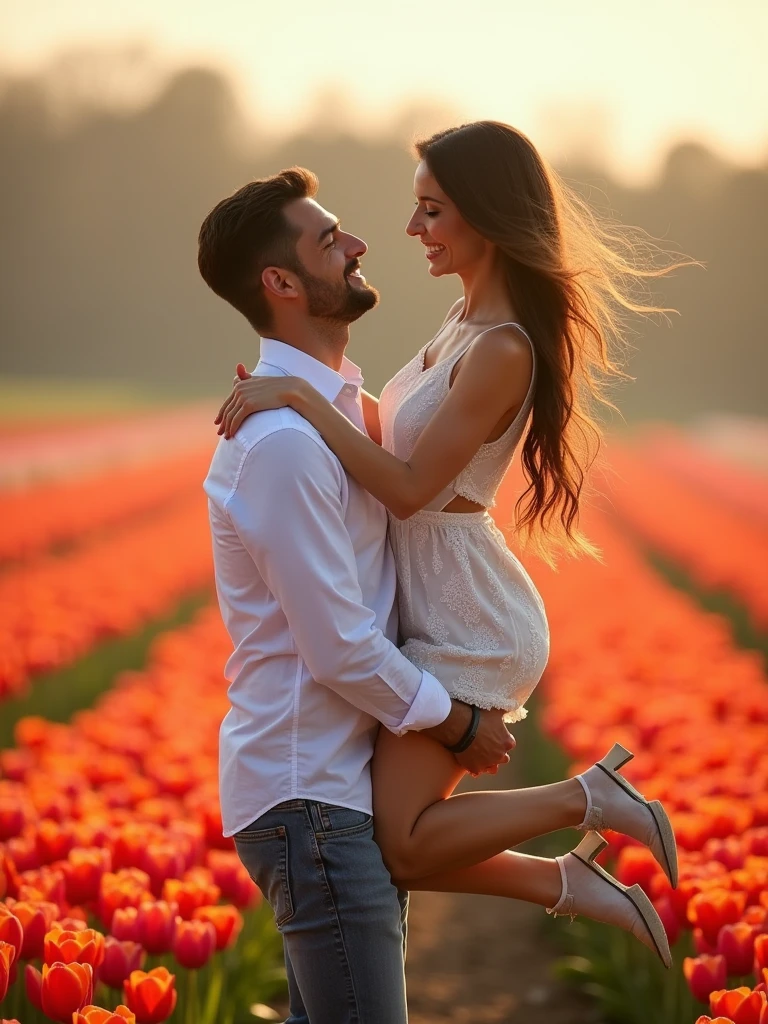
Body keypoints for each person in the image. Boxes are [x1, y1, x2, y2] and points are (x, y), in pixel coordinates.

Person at [200, 124, 681, 1023]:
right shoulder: (461, 325)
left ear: (487, 219)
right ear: (282, 281)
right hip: (420, 629)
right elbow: (396, 434)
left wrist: (300, 391)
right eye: (417, 207)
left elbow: (414, 486)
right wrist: (304, 392)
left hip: (465, 609)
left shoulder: (500, 346)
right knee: (402, 845)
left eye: (431, 208)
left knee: (405, 844)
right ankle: (573, 866)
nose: (407, 229)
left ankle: (587, 807)